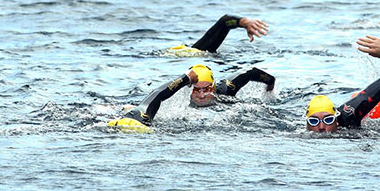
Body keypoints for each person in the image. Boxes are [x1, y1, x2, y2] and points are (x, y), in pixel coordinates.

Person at [110, 63, 276, 131]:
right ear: (189, 90)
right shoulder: (182, 101)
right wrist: (185, 79)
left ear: (214, 87)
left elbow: (251, 73)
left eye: (207, 89)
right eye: (197, 90)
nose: (202, 94)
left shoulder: (225, 90)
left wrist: (269, 89)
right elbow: (157, 95)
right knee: (129, 108)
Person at [169, 13, 269, 55]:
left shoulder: (197, 52)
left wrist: (245, 22)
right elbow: (224, 22)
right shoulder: (198, 53)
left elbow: (225, 22)